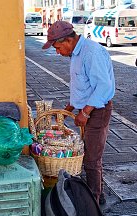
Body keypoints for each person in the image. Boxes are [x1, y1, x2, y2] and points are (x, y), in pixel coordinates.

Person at [42, 21, 115, 205]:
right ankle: (99, 192)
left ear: (67, 40)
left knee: (91, 158)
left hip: (98, 110)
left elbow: (103, 87)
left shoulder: (91, 52)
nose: (58, 52)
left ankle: (93, 203)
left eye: (58, 47)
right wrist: (70, 108)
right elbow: (82, 87)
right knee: (90, 154)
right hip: (87, 109)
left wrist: (85, 112)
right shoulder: (75, 54)